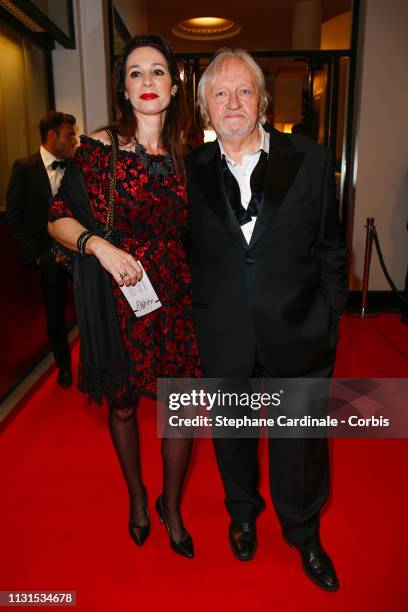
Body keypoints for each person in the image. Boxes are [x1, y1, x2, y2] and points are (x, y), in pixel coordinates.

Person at [186, 48, 348, 589]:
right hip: (224, 332)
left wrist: (328, 319)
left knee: (299, 443)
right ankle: (242, 514)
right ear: (205, 107)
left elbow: (331, 250)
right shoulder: (189, 172)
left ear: (261, 101)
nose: (232, 102)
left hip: (298, 331)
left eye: (244, 91)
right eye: (219, 93)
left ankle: (304, 533)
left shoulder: (312, 160)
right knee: (232, 435)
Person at [48, 34, 201, 559]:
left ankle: (171, 505)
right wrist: (100, 249)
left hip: (179, 299)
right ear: (123, 86)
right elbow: (58, 219)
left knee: (182, 409)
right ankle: (138, 496)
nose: (148, 82)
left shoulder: (192, 156)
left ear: (175, 83)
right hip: (122, 294)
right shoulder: (99, 149)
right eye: (136, 73)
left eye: (158, 71)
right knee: (122, 404)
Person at [6, 111, 77, 387]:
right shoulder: (24, 168)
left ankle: (96, 363)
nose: (73, 139)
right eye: (68, 134)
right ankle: (64, 367)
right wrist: (36, 254)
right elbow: (13, 215)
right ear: (51, 136)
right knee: (55, 312)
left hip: (77, 249)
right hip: (47, 255)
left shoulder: (75, 167)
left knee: (91, 304)